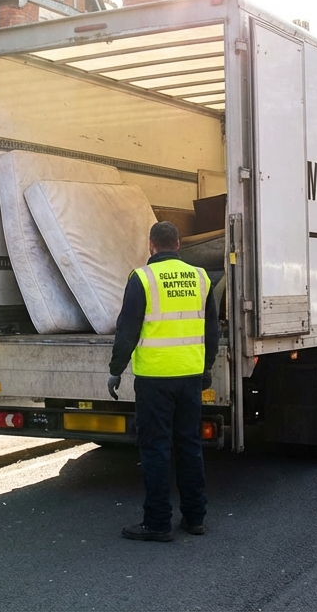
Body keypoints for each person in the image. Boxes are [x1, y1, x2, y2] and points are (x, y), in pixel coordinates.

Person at [107, 221, 219, 541]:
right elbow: (212, 331)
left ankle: (157, 522)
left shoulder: (142, 278)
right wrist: (206, 367)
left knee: (156, 448)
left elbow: (126, 329)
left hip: (155, 377)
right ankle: (195, 517)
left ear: (151, 246)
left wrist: (116, 369)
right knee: (189, 445)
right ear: (179, 244)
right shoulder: (201, 277)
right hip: (189, 376)